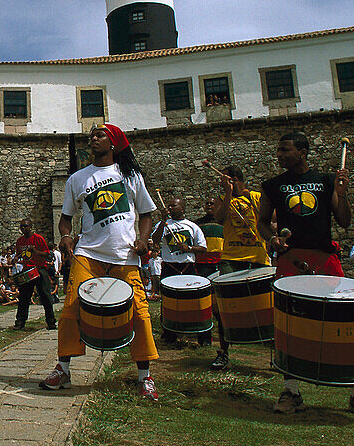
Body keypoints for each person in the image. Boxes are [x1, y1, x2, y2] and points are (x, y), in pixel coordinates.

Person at [257, 131, 354, 419]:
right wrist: (271, 240)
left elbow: (345, 220)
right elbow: (262, 222)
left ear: (302, 151)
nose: (279, 155)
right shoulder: (273, 185)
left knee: (344, 322)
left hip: (325, 258)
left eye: (284, 150)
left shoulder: (326, 182)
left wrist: (343, 192)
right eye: (279, 150)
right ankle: (291, 390)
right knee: (288, 324)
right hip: (291, 259)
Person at [39, 124, 159, 399]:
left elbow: (146, 213)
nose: (92, 139)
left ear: (114, 142)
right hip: (88, 254)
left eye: (99, 135)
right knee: (70, 309)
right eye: (91, 135)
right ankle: (63, 369)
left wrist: (142, 239)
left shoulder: (130, 175)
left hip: (124, 255)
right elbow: (66, 217)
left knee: (139, 311)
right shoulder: (77, 179)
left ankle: (145, 376)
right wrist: (66, 236)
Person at [208, 167, 271, 372]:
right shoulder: (221, 198)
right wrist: (227, 193)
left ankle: (273, 352)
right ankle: (224, 352)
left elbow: (269, 220)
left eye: (225, 181)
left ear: (235, 179)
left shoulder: (255, 197)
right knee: (223, 308)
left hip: (258, 257)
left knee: (266, 307)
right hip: (231, 259)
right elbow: (219, 218)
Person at [151, 196, 209, 346]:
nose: (169, 209)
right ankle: (169, 334)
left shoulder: (192, 226)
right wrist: (163, 222)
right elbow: (155, 240)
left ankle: (199, 334)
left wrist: (188, 248)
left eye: (173, 206)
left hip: (187, 267)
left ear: (182, 209)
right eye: (168, 206)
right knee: (169, 302)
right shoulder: (162, 225)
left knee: (194, 301)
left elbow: (203, 248)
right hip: (170, 267)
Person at [12, 219, 57, 330]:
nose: (23, 228)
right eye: (21, 226)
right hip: (28, 270)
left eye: (25, 226)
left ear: (30, 227)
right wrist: (16, 258)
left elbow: (47, 254)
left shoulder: (38, 238)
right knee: (24, 298)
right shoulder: (20, 241)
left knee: (45, 296)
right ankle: (20, 322)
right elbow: (19, 254)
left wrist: (35, 251)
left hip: (39, 270)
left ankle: (51, 322)